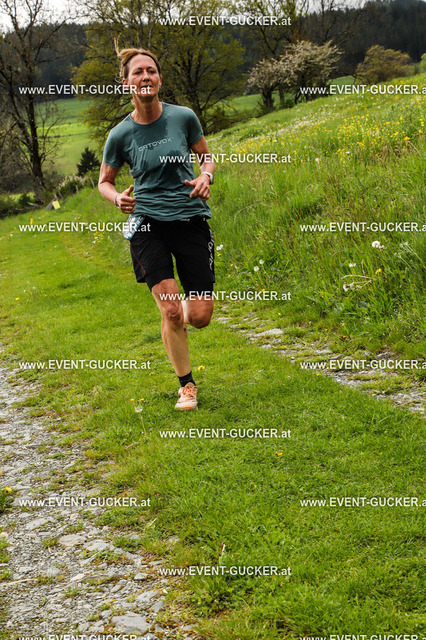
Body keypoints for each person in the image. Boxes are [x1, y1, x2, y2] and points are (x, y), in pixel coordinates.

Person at [98, 47, 216, 410]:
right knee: (171, 311)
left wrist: (206, 176)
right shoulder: (120, 134)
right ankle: (186, 386)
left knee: (199, 317)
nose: (145, 77)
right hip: (147, 223)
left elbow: (206, 157)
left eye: (151, 70)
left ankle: (181, 312)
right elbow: (104, 181)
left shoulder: (183, 117)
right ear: (126, 83)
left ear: (159, 78)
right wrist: (117, 198)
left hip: (190, 218)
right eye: (137, 72)